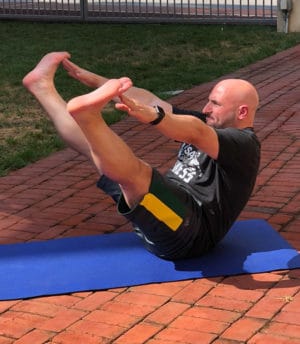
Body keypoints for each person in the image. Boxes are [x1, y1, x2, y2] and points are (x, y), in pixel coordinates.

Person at [23, 52, 260, 260]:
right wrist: (97, 81)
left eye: (215, 104)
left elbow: (196, 132)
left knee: (138, 173)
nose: (206, 109)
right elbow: (151, 100)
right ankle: (42, 88)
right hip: (161, 213)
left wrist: (156, 117)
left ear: (242, 112)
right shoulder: (209, 122)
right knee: (96, 146)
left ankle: (88, 115)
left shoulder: (244, 145)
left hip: (190, 232)